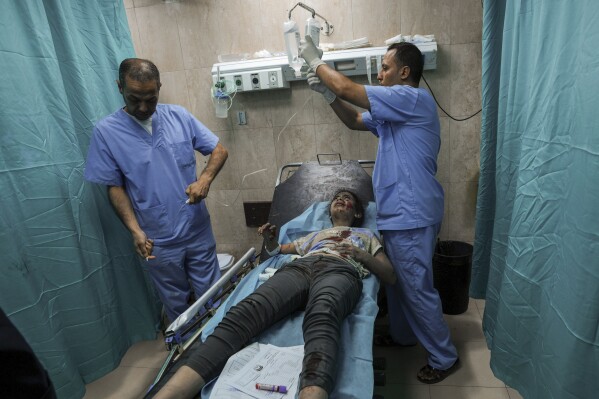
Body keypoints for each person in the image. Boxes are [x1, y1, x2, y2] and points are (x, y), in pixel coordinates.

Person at [299, 37, 459, 384]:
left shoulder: (411, 97)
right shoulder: (394, 113)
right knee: (398, 284)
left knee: (416, 287)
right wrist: (329, 98)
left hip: (412, 213)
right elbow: (355, 119)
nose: (380, 73)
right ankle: (403, 336)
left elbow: (347, 87)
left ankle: (444, 357)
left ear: (404, 72)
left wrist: (317, 64)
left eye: (385, 67)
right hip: (399, 213)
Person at [152, 190, 396, 399]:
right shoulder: (315, 236)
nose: (341, 199)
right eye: (337, 198)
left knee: (323, 315)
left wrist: (360, 254)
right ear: (329, 211)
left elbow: (390, 275)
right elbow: (277, 250)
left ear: (358, 214)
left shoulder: (367, 236)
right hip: (300, 267)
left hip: (341, 270)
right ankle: (170, 393)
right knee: (247, 311)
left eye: (347, 199)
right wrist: (270, 240)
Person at [84, 58, 228, 323]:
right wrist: (135, 231)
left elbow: (219, 150)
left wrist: (205, 179)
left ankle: (221, 348)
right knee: (177, 304)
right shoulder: (106, 132)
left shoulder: (179, 117)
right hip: (156, 239)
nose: (142, 107)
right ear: (119, 88)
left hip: (195, 228)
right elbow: (114, 187)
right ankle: (187, 354)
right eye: (134, 98)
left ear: (159, 87)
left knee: (213, 296)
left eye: (150, 99)